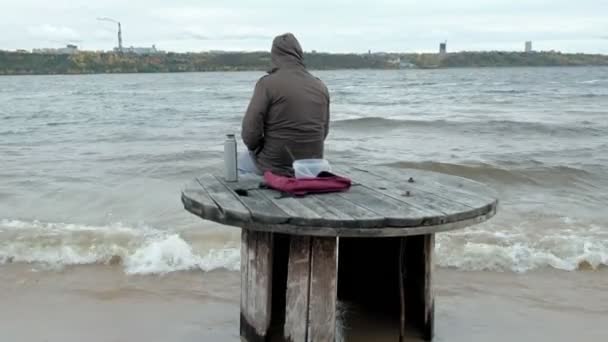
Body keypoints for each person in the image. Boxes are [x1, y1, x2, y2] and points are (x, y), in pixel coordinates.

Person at [239, 33, 330, 176]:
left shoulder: (267, 83)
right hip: (311, 167)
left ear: (274, 55)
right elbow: (323, 132)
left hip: (274, 166)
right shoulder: (320, 86)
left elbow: (250, 132)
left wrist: (257, 148)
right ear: (299, 54)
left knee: (242, 163)